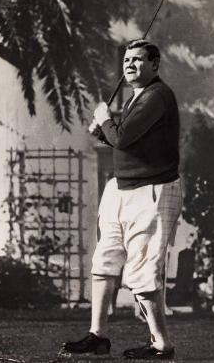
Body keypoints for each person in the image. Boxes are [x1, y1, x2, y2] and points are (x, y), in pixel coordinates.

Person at [62, 39, 182, 360]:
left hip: (152, 189)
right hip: (121, 188)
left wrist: (104, 118)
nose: (129, 65)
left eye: (138, 60)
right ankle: (98, 335)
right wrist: (103, 130)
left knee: (141, 268)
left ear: (154, 65)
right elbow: (123, 140)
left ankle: (161, 344)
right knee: (105, 259)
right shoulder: (136, 98)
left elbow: (124, 138)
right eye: (126, 60)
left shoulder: (157, 96)